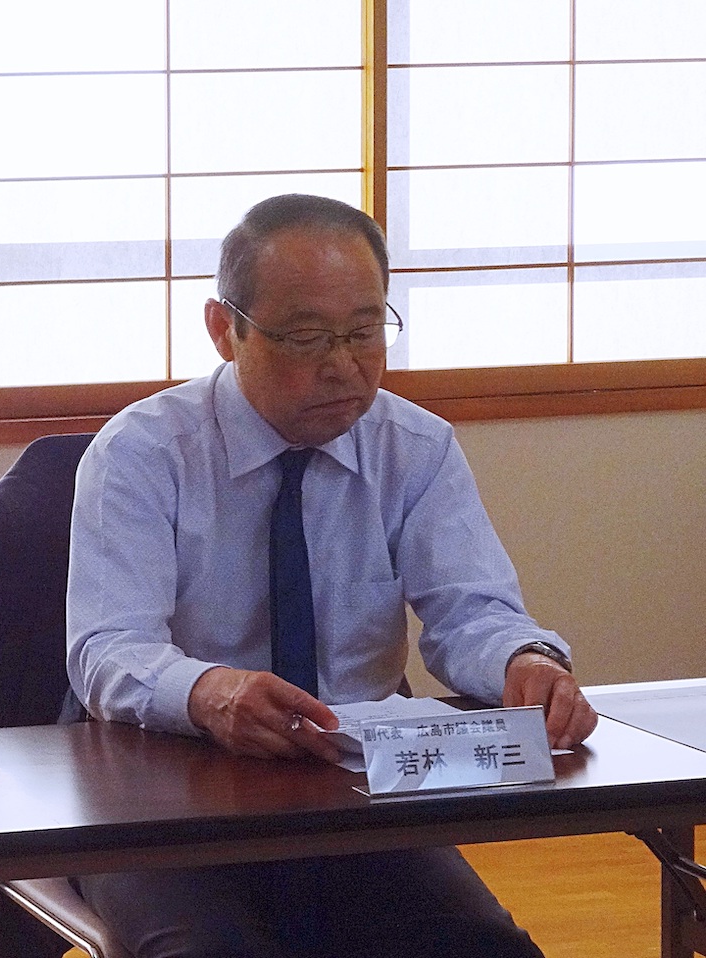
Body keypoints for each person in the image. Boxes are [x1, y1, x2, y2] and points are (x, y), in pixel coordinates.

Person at [65, 193, 598, 958]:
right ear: (223, 329)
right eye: (307, 336)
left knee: (486, 949)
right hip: (160, 786)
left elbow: (471, 615)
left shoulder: (415, 448)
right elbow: (107, 649)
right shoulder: (142, 454)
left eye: (365, 331)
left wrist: (526, 659)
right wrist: (209, 692)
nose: (344, 365)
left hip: (355, 785)